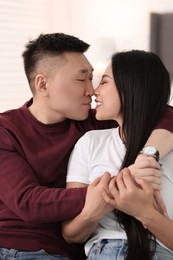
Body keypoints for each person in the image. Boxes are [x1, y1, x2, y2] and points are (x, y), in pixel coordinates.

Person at [0, 33, 172, 260]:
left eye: (95, 79)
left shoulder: (93, 122)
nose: (92, 90)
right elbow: (28, 202)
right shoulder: (6, 130)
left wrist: (148, 156)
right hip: (13, 244)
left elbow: (157, 110)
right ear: (43, 84)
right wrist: (117, 186)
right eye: (82, 80)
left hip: (66, 250)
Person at [62, 50, 173, 260]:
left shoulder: (166, 146)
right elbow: (70, 234)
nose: (94, 91)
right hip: (105, 252)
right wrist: (96, 209)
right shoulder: (90, 142)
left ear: (131, 87)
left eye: (104, 82)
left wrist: (144, 212)